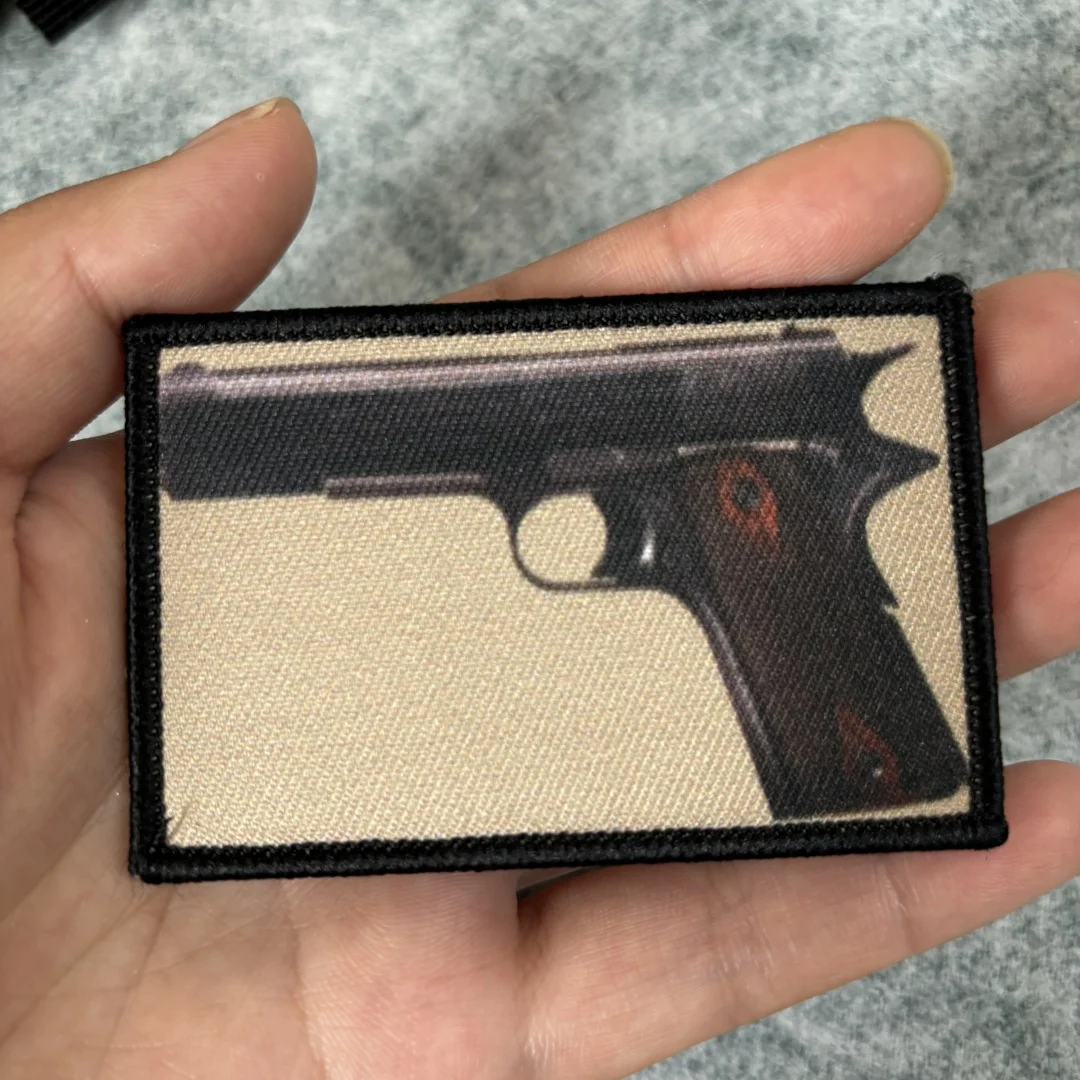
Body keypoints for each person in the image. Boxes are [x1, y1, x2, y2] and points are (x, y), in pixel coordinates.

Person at [0, 98, 1076, 1080]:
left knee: (864, 767)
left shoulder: (739, 460)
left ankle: (871, 773)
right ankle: (872, 774)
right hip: (742, 436)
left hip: (740, 447)